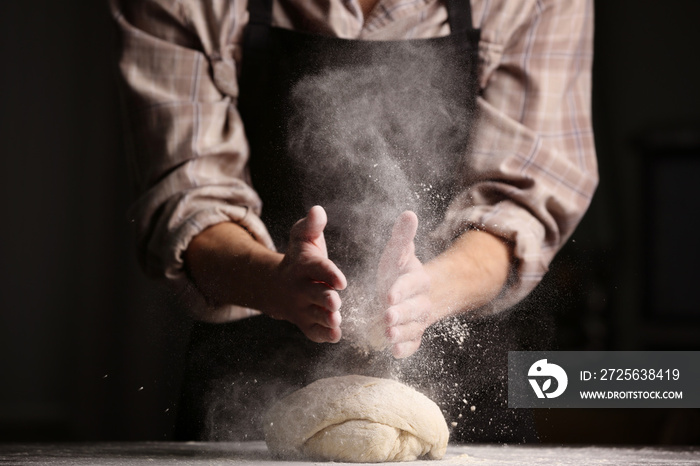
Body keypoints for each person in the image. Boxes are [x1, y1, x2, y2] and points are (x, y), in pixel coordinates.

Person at [111, 0, 597, 443]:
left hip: (464, 367)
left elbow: (521, 204)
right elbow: (189, 196)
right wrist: (275, 283)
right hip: (249, 365)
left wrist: (427, 292)